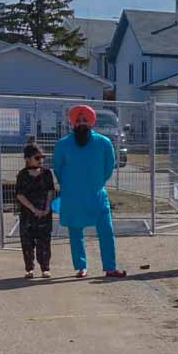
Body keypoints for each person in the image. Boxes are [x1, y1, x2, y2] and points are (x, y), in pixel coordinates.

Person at [52, 104, 124, 279]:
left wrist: (95, 183)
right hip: (72, 197)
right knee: (76, 232)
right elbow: (58, 168)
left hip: (97, 196)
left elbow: (108, 167)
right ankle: (81, 267)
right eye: (78, 121)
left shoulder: (104, 143)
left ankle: (110, 267)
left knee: (106, 230)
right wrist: (71, 186)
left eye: (85, 120)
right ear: (72, 124)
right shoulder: (63, 144)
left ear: (91, 122)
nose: (81, 123)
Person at [13, 143, 58, 279]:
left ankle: (45, 268)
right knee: (27, 242)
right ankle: (29, 269)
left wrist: (47, 207)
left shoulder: (47, 173)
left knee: (44, 242)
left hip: (45, 213)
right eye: (37, 157)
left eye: (42, 157)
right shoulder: (22, 174)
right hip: (28, 214)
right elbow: (20, 194)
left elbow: (51, 191)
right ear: (27, 159)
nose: (41, 160)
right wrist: (33, 209)